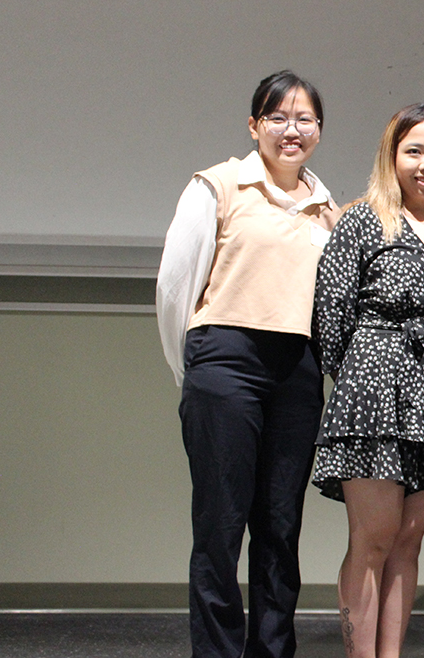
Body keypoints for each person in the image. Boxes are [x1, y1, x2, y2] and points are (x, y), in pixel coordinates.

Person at [156, 70, 342, 658]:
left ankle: (272, 650)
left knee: (280, 527)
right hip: (225, 363)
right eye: (278, 118)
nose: (293, 130)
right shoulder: (217, 185)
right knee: (220, 526)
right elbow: (175, 288)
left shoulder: (326, 205)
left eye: (305, 119)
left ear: (319, 129)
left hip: (297, 371)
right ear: (254, 124)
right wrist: (195, 371)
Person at [311, 103, 424, 658]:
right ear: (392, 155)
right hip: (373, 393)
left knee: (409, 541)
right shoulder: (362, 219)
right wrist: (361, 376)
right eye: (414, 151)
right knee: (374, 539)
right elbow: (329, 317)